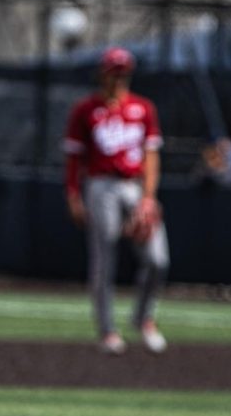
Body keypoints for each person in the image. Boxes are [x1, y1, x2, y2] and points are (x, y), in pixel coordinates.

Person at [63, 47, 169, 355]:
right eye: (114, 72)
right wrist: (73, 194)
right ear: (103, 74)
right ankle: (107, 329)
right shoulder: (86, 110)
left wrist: (149, 198)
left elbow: (151, 156)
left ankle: (143, 317)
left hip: (134, 186)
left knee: (158, 259)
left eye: (123, 72)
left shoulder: (143, 108)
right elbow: (73, 158)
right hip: (101, 185)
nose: (119, 78)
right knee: (104, 258)